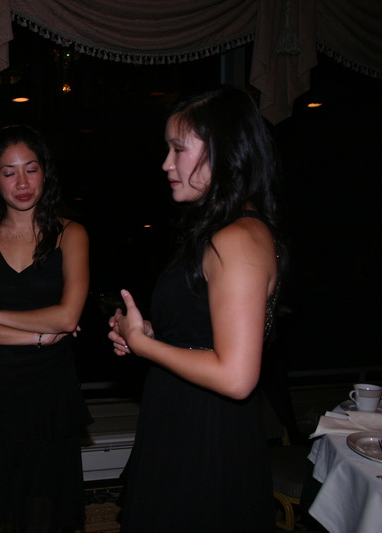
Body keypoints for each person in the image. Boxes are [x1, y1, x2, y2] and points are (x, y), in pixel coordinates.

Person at [108, 86, 286, 532]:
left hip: (206, 438)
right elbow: (205, 333)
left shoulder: (237, 239)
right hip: (187, 421)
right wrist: (151, 332)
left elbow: (236, 376)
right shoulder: (222, 230)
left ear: (222, 151)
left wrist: (142, 344)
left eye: (178, 149)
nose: (166, 164)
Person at [0, 125, 91, 532]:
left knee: (38, 520)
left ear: (45, 173)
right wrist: (37, 336)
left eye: (31, 169)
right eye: (9, 172)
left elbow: (67, 318)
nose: (22, 183)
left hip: (48, 394)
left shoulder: (71, 234)